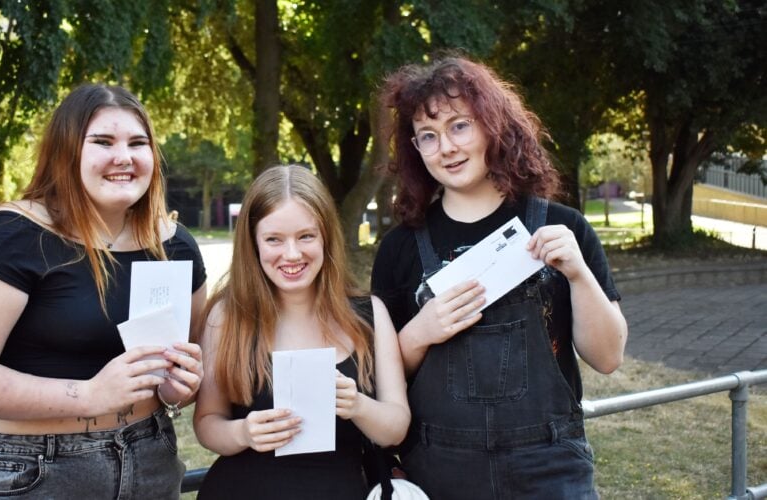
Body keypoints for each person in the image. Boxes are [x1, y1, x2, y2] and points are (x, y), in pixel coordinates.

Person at [0, 83, 207, 499]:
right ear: (66, 152)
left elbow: (185, 372)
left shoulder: (175, 245)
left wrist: (178, 390)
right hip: (35, 470)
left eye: (138, 142)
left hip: (150, 457)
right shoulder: (13, 235)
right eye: (102, 142)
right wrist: (90, 395)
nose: (124, 157)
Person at [371, 54, 628, 499]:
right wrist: (420, 333)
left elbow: (607, 358)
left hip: (549, 469)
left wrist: (580, 275)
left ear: (493, 125)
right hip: (438, 470)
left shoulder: (562, 228)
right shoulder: (400, 249)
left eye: (459, 126)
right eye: (427, 137)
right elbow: (377, 383)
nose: (446, 147)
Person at [193, 165, 410, 499]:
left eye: (306, 236)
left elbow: (396, 429)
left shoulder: (370, 315)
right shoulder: (227, 316)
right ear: (253, 243)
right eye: (273, 239)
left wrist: (358, 406)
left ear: (326, 236)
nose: (291, 254)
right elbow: (207, 422)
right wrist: (243, 433)